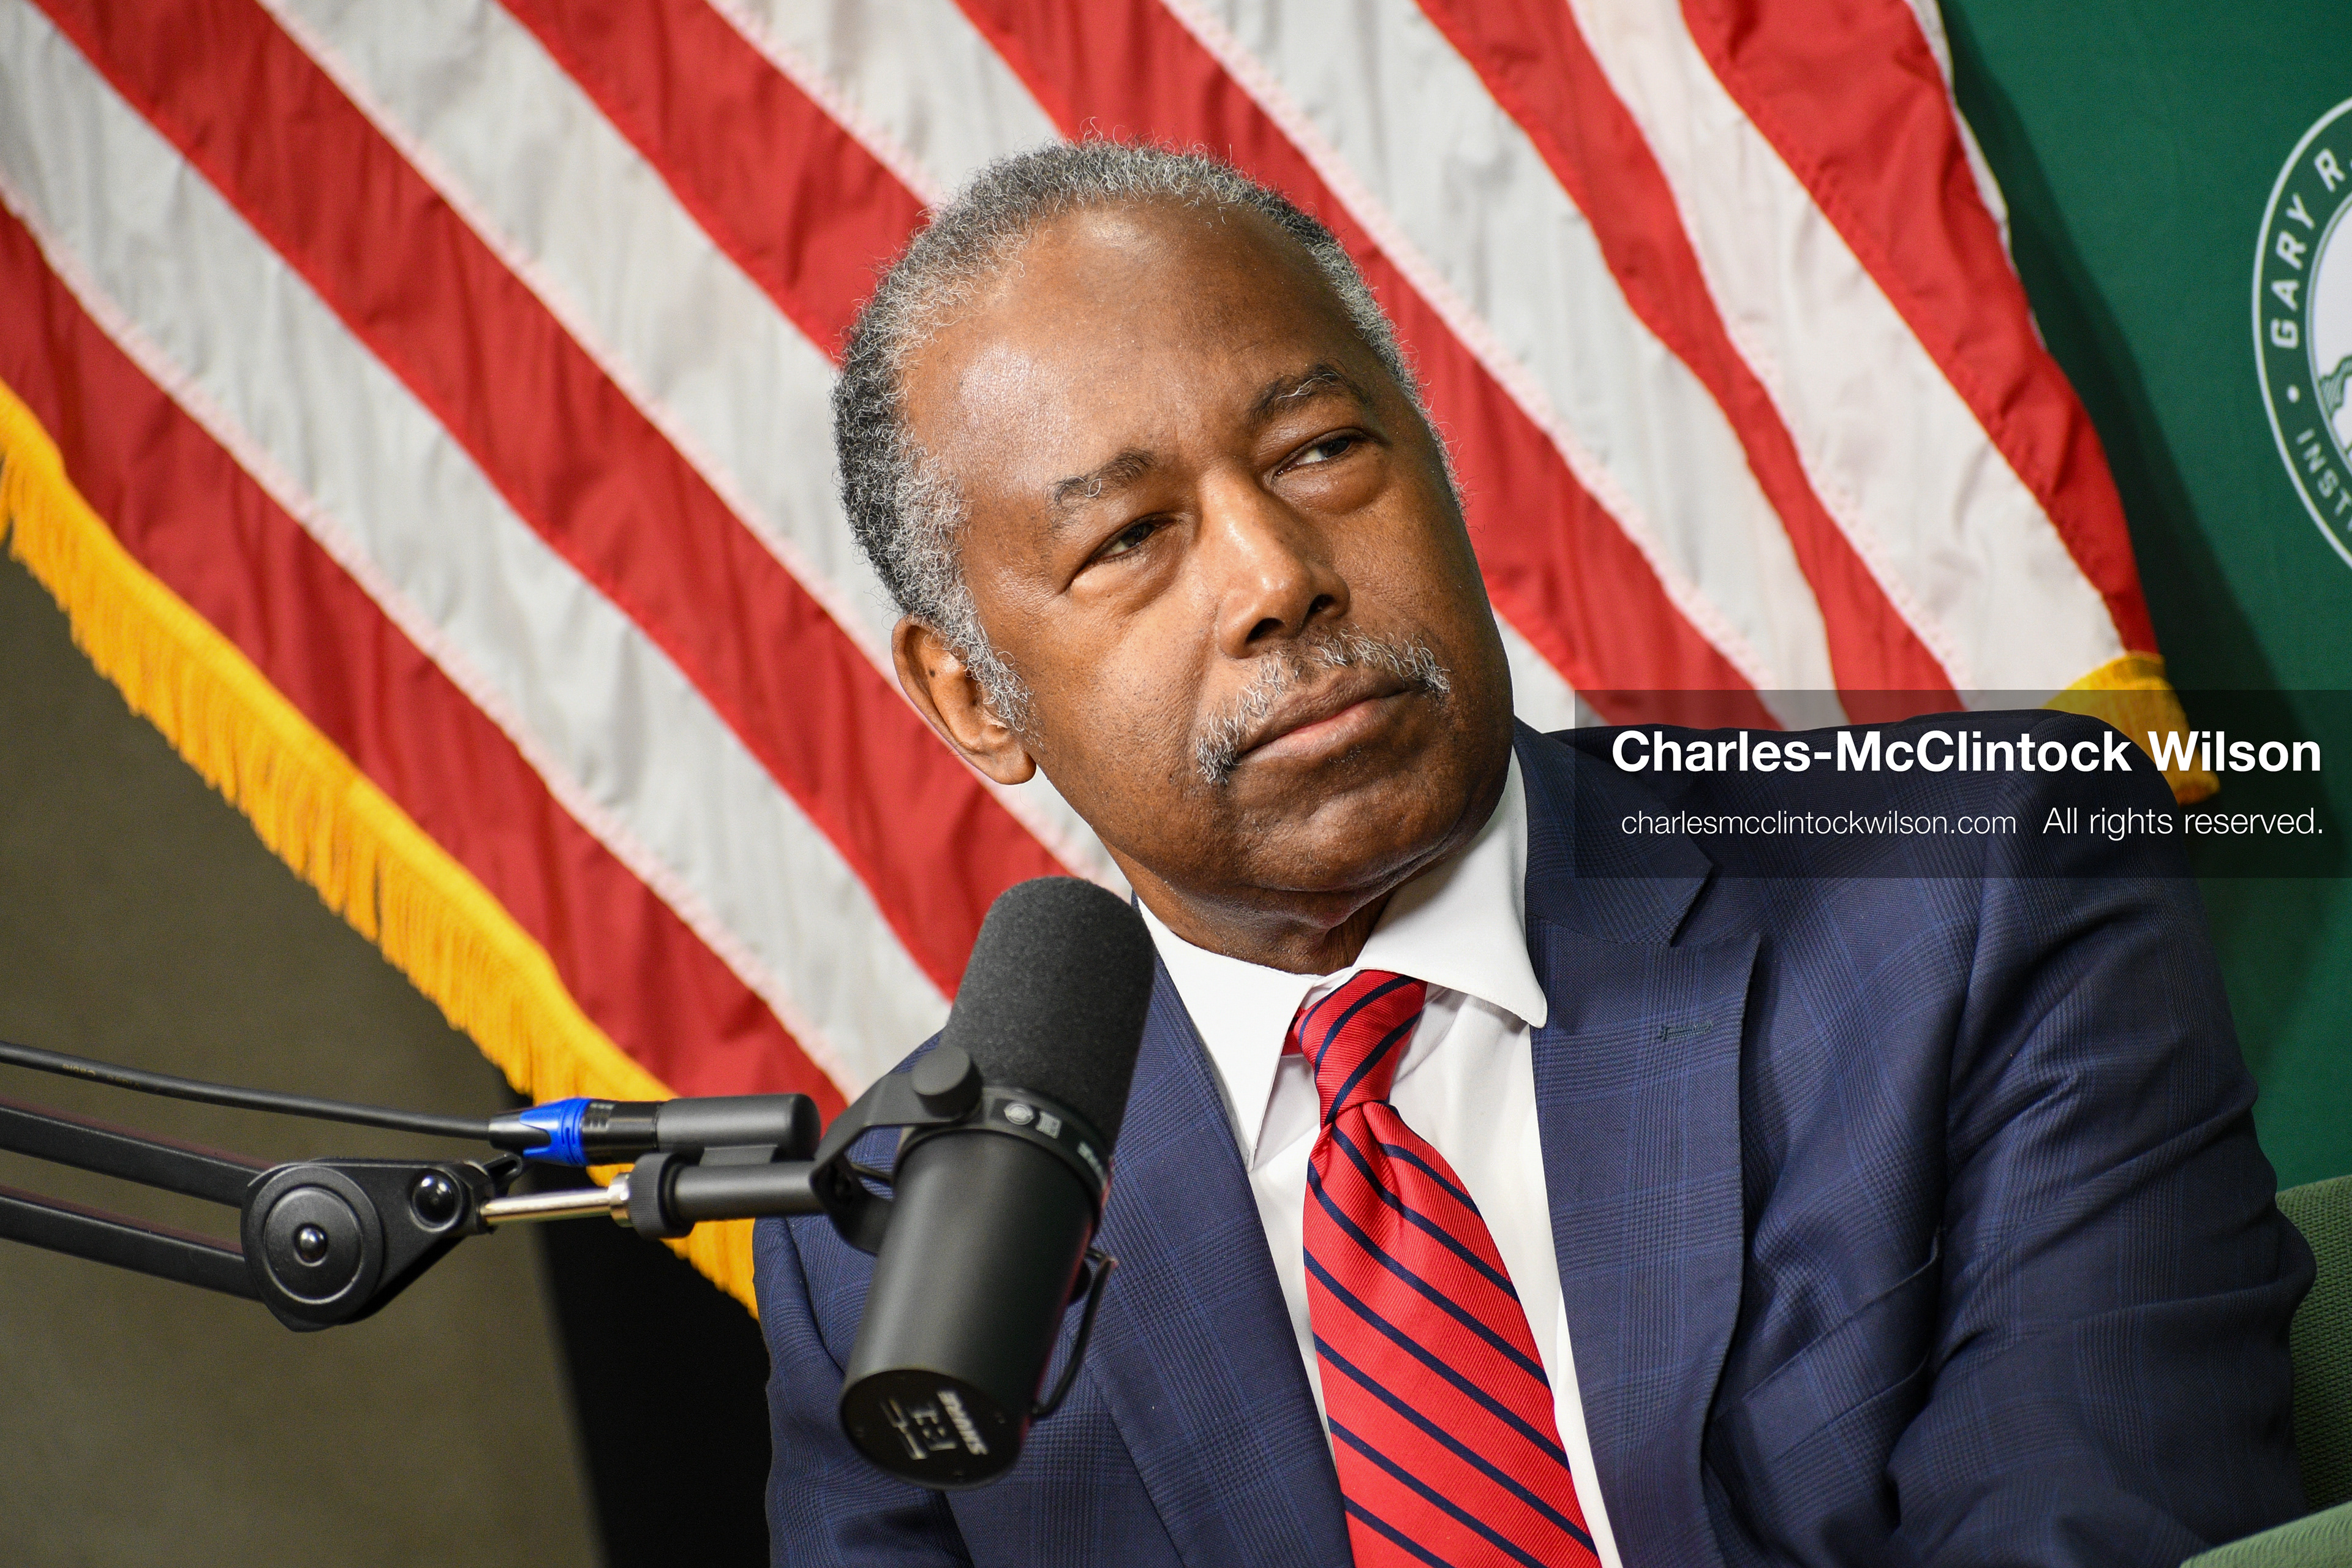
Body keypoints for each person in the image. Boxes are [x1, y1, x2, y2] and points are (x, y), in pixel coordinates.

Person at [756, 142, 2310, 1567]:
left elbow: (2082, 1523)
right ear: (972, 697)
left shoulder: (1970, 893)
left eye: (1318, 449)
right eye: (1129, 538)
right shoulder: (888, 1249)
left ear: (1436, 463)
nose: (1275, 577)